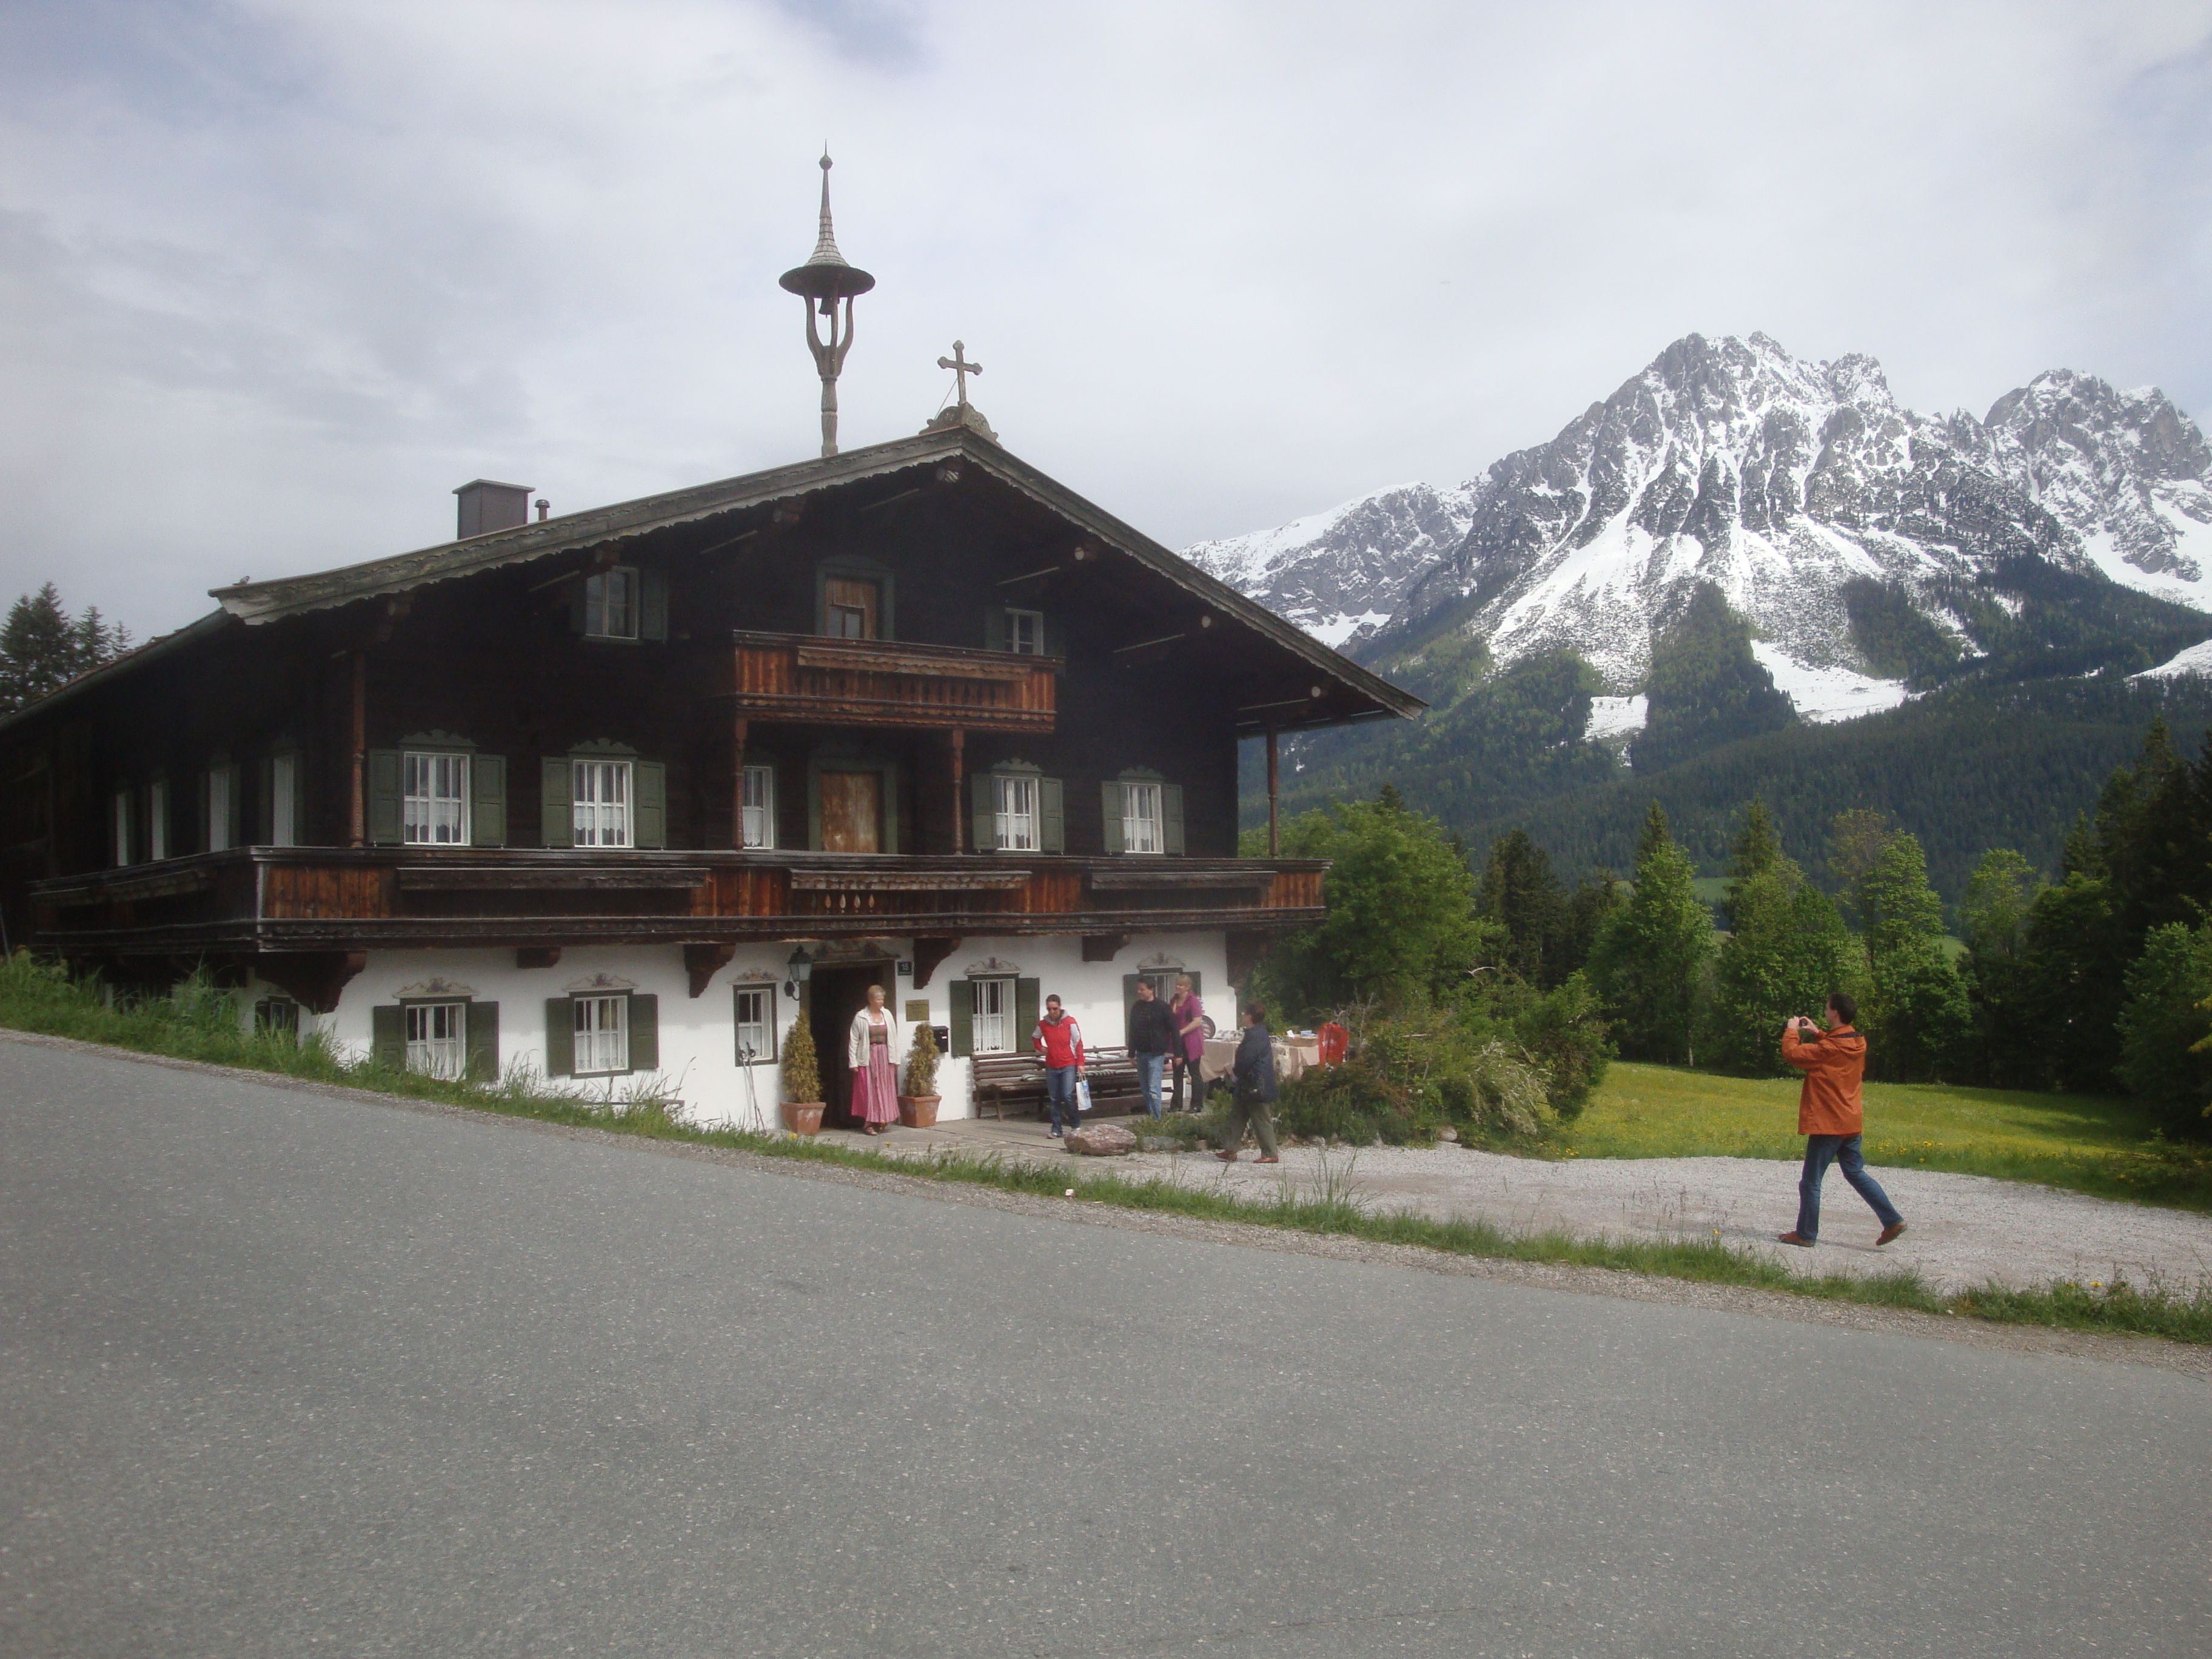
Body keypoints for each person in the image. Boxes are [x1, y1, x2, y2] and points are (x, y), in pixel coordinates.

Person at [1777, 991, 1906, 1248]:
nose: (1825, 1011)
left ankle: (1805, 1234)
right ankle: (1892, 1220)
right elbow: (1836, 1048)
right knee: (1855, 1172)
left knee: (1811, 1181)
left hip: (1829, 1123)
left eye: (1827, 1007)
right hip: (1851, 1120)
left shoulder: (1830, 1048)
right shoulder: (1858, 1041)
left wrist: (1792, 1030)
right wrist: (1817, 1032)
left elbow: (1793, 1054)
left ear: (1835, 1012)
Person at [1215, 1001, 1281, 1165]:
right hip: (1247, 1082)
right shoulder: (1256, 1033)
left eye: (1244, 1013)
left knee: (1261, 1118)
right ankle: (1230, 1149)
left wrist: (1235, 1073)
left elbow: (1247, 1058)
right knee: (1237, 1115)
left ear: (1250, 1016)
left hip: (1255, 1083)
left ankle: (1271, 1152)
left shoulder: (1256, 1035)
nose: (1242, 1016)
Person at [846, 983, 901, 1136]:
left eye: (882, 999)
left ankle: (881, 1120)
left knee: (884, 1088)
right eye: (878, 999)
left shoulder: (887, 1015)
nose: (881, 1002)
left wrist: (896, 1059)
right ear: (870, 1000)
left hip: (884, 1055)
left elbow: (894, 1037)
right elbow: (854, 1040)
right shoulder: (861, 1017)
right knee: (869, 1089)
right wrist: (853, 1061)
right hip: (868, 1056)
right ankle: (868, 1123)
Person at [1033, 993, 1086, 1139]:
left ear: (1060, 1007)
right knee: (1054, 1098)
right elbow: (1035, 1038)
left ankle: (1075, 1125)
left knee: (1067, 1095)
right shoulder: (1043, 1024)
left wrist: (1081, 1062)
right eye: (1049, 1009)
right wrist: (1041, 1048)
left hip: (1068, 1064)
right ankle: (1056, 1129)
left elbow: (1078, 1042)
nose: (1052, 1012)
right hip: (1051, 1065)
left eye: (1055, 1009)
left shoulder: (1069, 1022)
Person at [1127, 978, 1175, 1120]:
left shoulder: (1162, 1007)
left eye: (1142, 989)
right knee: (1145, 1089)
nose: (1139, 992)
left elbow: (1173, 1030)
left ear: (1151, 990)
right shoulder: (1137, 1007)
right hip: (1141, 1053)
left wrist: (1176, 1053)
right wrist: (1131, 1053)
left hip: (1156, 1054)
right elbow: (1133, 1030)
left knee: (1154, 1088)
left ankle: (1157, 1119)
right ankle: (1151, 1116)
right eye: (1138, 989)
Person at [1167, 974, 1206, 1113]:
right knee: (1177, 1072)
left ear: (1188, 987)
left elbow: (1197, 1021)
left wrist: (1182, 1031)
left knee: (1194, 1073)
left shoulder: (1193, 1001)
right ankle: (1176, 1104)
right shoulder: (1174, 1000)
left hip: (1192, 1041)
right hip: (1178, 1042)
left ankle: (1196, 1104)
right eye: (1177, 984)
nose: (1178, 987)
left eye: (1181, 985)